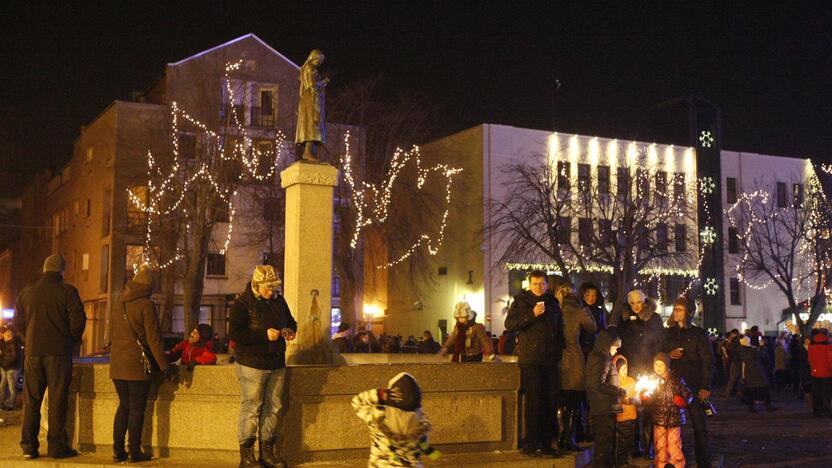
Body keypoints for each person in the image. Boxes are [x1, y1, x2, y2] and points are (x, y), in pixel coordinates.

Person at [13, 254, 85, 460]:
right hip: (59, 354)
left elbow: (18, 322)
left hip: (33, 353)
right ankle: (56, 447)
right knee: (57, 400)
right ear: (62, 271)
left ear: (44, 270)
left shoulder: (27, 292)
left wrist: (29, 338)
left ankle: (28, 446)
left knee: (32, 400)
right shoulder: (68, 292)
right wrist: (68, 340)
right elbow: (78, 321)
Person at [229, 265, 297, 468]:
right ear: (257, 285)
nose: (271, 292)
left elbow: (292, 322)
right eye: (268, 288)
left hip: (276, 362)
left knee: (274, 407)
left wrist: (289, 331)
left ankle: (267, 451)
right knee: (251, 407)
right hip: (251, 363)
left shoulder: (278, 301)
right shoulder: (242, 303)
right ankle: (246, 455)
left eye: (274, 288)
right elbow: (235, 334)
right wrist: (263, 335)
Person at [109, 265, 170, 462]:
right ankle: (134, 451)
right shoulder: (146, 305)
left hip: (117, 364)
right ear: (149, 286)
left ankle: (118, 450)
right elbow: (153, 339)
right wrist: (164, 365)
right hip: (136, 364)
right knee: (137, 409)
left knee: (124, 406)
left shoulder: (119, 302)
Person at [505, 270, 565, 458]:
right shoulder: (521, 301)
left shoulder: (553, 303)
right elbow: (510, 324)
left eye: (541, 283)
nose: (538, 287)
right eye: (535, 284)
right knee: (534, 402)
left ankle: (547, 443)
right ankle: (531, 443)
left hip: (550, 360)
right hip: (531, 360)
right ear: (529, 285)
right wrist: (532, 315)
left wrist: (559, 350)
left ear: (547, 284)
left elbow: (559, 328)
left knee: (550, 401)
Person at [662, 296, 714, 468]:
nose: (675, 312)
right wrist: (669, 355)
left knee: (699, 427)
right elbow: (659, 353)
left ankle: (703, 462)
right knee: (671, 428)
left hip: (693, 386)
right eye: (675, 309)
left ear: (688, 312)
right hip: (672, 387)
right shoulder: (668, 332)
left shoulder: (699, 334)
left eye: (679, 309)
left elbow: (708, 360)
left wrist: (705, 386)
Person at [352, 372, 438, 467]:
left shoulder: (379, 415)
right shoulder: (420, 420)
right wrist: (432, 453)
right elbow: (423, 444)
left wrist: (380, 394)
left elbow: (357, 402)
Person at [550, 276, 595, 451]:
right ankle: (568, 437)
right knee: (573, 401)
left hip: (557, 361)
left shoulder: (554, 309)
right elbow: (592, 327)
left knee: (559, 402)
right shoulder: (577, 310)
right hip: (575, 360)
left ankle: (559, 436)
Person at [616, 289, 663, 459]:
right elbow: (621, 344)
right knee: (633, 409)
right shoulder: (625, 320)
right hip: (631, 372)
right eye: (632, 303)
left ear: (645, 302)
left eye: (639, 303)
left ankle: (649, 446)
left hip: (649, 370)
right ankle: (635, 445)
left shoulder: (654, 318)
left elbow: (659, 344)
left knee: (649, 410)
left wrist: (657, 368)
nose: (636, 306)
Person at [585, 328, 625, 468]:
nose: (616, 351)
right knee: (604, 444)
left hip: (604, 407)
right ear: (607, 344)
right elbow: (597, 384)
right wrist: (619, 391)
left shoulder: (602, 357)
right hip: (602, 408)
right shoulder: (600, 359)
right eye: (615, 347)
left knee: (607, 443)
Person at [644, 352, 692, 468]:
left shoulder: (676, 379)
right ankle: (661, 465)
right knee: (660, 445)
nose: (658, 368)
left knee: (674, 444)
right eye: (656, 365)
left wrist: (683, 401)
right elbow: (649, 401)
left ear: (667, 365)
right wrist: (645, 398)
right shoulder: (652, 381)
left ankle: (678, 465)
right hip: (659, 419)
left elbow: (688, 395)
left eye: (661, 365)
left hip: (674, 419)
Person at [295, 49, 329, 161]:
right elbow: (312, 85)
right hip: (311, 101)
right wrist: (324, 82)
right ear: (314, 57)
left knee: (311, 125)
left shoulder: (306, 69)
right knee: (312, 125)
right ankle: (308, 152)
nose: (320, 62)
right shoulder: (310, 69)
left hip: (307, 100)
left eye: (321, 61)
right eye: (319, 59)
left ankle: (309, 153)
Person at [738, 336, 778, 412]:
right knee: (763, 388)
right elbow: (759, 355)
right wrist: (762, 346)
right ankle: (767, 405)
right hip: (756, 371)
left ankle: (753, 406)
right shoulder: (750, 350)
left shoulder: (742, 349)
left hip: (748, 372)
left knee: (752, 389)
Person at [612, 354, 639, 467]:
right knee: (622, 441)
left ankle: (628, 460)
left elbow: (636, 393)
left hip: (632, 416)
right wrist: (629, 400)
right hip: (622, 418)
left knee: (630, 441)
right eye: (622, 369)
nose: (625, 371)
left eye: (626, 368)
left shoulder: (631, 380)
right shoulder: (616, 382)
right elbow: (618, 398)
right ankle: (621, 462)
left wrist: (639, 399)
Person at [578, 282, 607, 357]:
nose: (591, 298)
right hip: (580, 348)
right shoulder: (578, 310)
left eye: (594, 295)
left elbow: (602, 331)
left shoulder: (600, 312)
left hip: (595, 348)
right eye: (587, 295)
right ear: (582, 295)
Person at [807, 329, 832, 416]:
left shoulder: (811, 345)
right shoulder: (827, 345)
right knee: (826, 393)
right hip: (826, 373)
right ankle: (827, 410)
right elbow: (830, 360)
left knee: (816, 393)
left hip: (814, 372)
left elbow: (809, 359)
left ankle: (817, 411)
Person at [0, 326, 22, 410]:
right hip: (7, 368)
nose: (3, 338)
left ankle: (10, 404)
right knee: (3, 386)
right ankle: (3, 402)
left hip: (11, 368)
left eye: (5, 336)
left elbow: (13, 357)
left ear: (9, 336)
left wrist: (4, 364)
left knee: (11, 387)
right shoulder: (8, 343)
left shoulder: (12, 344)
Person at [721, 329, 741, 397]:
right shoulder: (738, 340)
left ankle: (727, 393)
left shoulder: (734, 341)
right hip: (737, 360)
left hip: (734, 361)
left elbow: (731, 349)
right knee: (736, 378)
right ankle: (735, 392)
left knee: (732, 378)